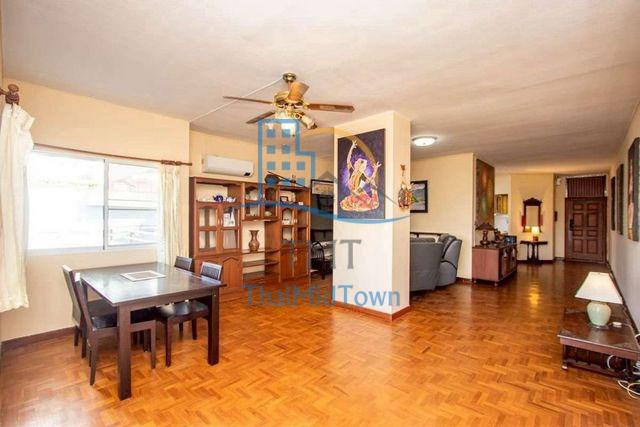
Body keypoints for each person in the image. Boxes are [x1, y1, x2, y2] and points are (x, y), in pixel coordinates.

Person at [340, 140, 381, 212]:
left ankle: (370, 198)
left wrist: (375, 170)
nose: (361, 168)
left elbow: (371, 179)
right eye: (358, 163)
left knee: (374, 205)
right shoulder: (352, 171)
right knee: (343, 205)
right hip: (354, 196)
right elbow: (348, 160)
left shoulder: (362, 175)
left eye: (362, 167)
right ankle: (356, 205)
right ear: (356, 165)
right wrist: (352, 147)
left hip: (360, 194)